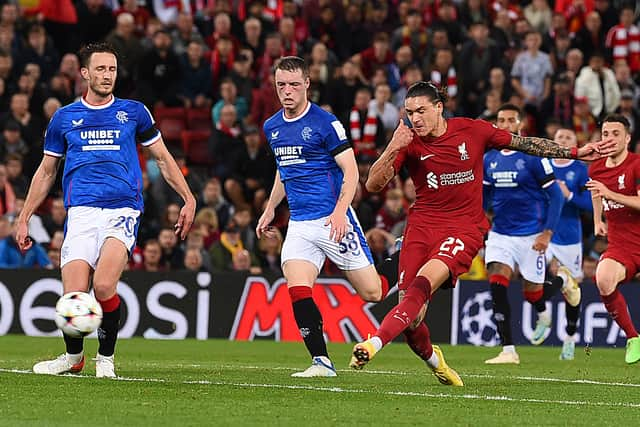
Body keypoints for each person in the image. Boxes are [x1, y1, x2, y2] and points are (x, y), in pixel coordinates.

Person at [349, 81, 612, 386]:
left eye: (421, 110)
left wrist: (576, 152)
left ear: (439, 107)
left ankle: (373, 344)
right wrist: (394, 144)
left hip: (464, 227)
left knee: (424, 283)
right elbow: (372, 185)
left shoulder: (473, 130)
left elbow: (525, 144)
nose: (415, 118)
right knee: (413, 318)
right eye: (409, 112)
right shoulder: (407, 141)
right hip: (421, 226)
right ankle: (436, 362)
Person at [16, 42, 196, 378]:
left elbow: (162, 158)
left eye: (111, 69)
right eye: (100, 69)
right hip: (80, 212)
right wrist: (24, 217)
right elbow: (45, 172)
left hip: (121, 210)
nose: (107, 75)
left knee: (102, 287)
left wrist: (189, 197)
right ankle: (73, 358)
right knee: (73, 297)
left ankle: (106, 359)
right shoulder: (64, 118)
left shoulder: (134, 112)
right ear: (84, 73)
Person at [256, 56, 397, 378]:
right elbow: (284, 170)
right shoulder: (272, 126)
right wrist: (270, 208)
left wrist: (339, 213)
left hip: (334, 219)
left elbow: (350, 172)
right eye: (281, 85)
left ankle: (403, 254)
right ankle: (321, 361)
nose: (287, 91)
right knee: (297, 286)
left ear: (307, 84)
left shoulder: (325, 123)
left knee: (373, 292)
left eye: (293, 84)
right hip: (301, 225)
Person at [482, 104, 564, 365]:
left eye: (510, 120)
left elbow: (556, 195)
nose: (505, 125)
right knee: (496, 284)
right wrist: (478, 223)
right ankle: (508, 350)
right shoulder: (489, 158)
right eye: (501, 120)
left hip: (532, 235)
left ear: (520, 124)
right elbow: (484, 198)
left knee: (533, 295)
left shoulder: (533, 156)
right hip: (501, 235)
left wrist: (547, 233)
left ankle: (562, 284)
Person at [586, 114, 640, 364]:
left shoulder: (636, 164)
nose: (609, 138)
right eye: (605, 134)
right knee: (604, 279)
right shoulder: (595, 167)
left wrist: (611, 193)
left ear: (627, 138)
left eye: (615, 134)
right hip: (622, 245)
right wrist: (598, 220)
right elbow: (596, 192)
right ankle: (633, 337)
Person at [547, 128, 592, 361]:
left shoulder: (579, 170)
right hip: (543, 233)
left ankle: (570, 337)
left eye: (568, 138)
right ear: (553, 142)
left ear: (575, 144)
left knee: (571, 290)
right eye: (560, 137)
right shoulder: (544, 165)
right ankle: (542, 312)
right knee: (534, 277)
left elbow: (592, 205)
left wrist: (570, 196)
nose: (563, 140)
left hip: (569, 238)